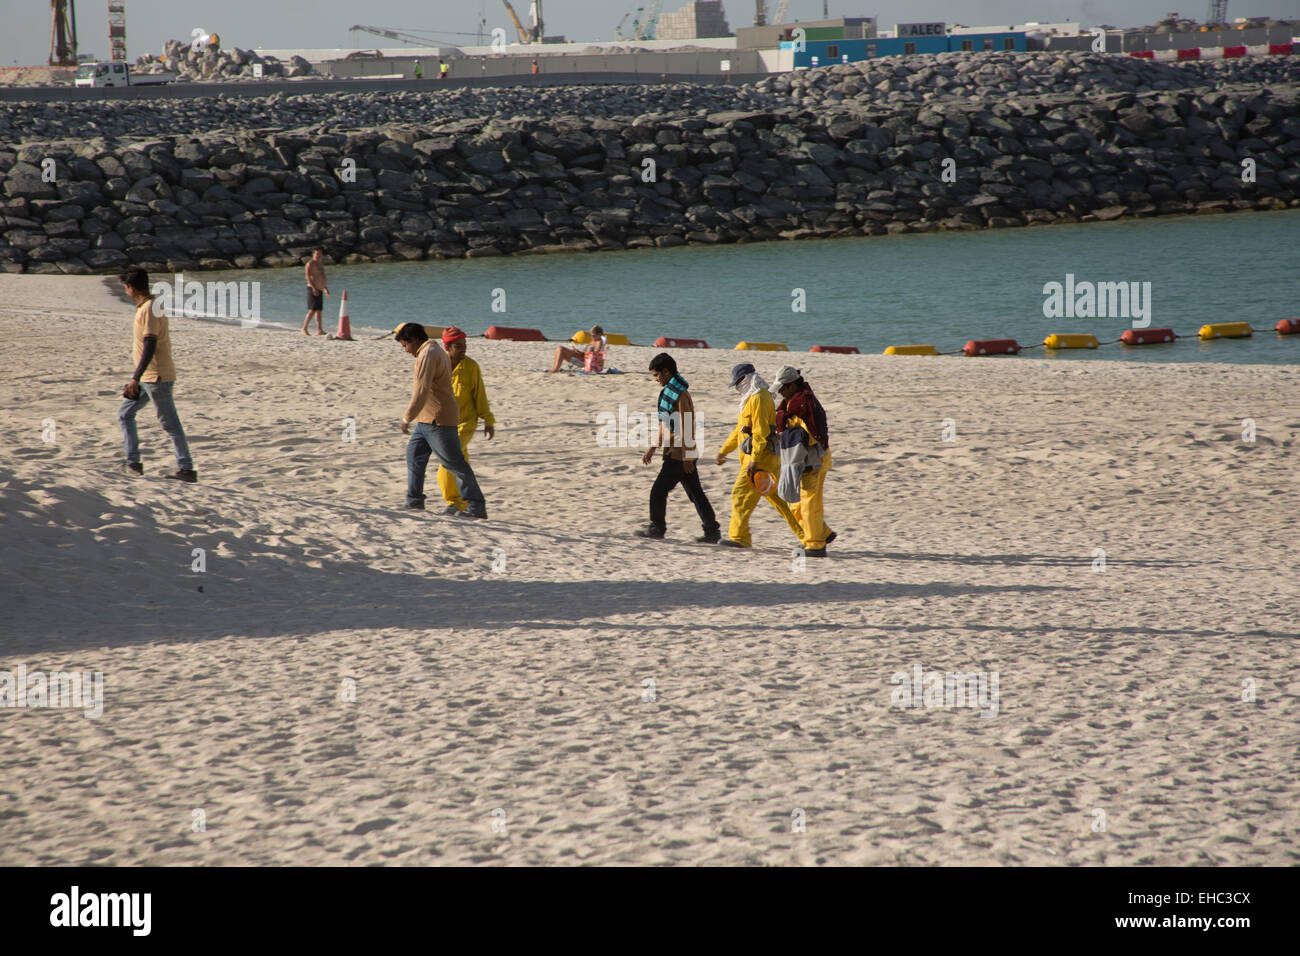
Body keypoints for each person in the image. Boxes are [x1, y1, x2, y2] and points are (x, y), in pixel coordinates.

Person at [395, 323, 488, 517]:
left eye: (405, 345)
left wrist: (406, 417)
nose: (405, 350)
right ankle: (414, 501)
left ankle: (476, 507)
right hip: (426, 419)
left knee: (454, 463)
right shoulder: (434, 349)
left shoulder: (427, 354)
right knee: (414, 455)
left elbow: (422, 390)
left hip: (438, 419)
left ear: (414, 340)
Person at [117, 266, 197, 482]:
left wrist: (135, 377)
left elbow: (150, 343)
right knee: (125, 413)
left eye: (126, 288)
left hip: (156, 377)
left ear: (131, 288)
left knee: (170, 424)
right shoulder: (146, 307)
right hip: (147, 377)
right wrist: (138, 377)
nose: (126, 291)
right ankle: (133, 463)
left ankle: (186, 469)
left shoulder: (152, 307)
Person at [716, 363, 803, 548]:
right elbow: (740, 432)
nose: (738, 386)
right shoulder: (750, 399)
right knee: (779, 500)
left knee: (739, 495)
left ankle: (739, 538)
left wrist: (754, 460)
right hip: (760, 460)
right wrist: (724, 451)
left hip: (760, 460)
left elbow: (761, 433)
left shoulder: (759, 398)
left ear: (748, 378)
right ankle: (809, 536)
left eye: (739, 381)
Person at [636, 353, 720, 543]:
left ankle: (657, 528)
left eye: (656, 375)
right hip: (676, 452)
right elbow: (665, 424)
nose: (656, 379)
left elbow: (687, 426)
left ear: (666, 372)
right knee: (696, 493)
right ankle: (712, 531)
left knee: (658, 491)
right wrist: (653, 447)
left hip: (680, 454)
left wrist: (688, 457)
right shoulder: (670, 392)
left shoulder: (681, 394)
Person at [767, 366, 836, 556]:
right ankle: (822, 533)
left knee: (809, 504)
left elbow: (810, 436)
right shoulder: (793, 402)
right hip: (807, 459)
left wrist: (786, 434)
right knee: (798, 504)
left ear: (792, 385)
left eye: (782, 388)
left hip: (813, 460)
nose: (780, 392)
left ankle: (815, 545)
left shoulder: (802, 404)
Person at [436, 326, 495, 514]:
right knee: (461, 462)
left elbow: (480, 396)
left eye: (465, 344)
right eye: (459, 346)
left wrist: (488, 420)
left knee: (448, 460)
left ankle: (453, 502)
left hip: (465, 423)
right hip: (444, 424)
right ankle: (468, 505)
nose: (464, 348)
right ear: (448, 347)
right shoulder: (439, 365)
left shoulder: (471, 367)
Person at [302, 248, 329, 335]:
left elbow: (322, 276)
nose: (319, 256)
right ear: (313, 254)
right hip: (312, 289)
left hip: (320, 289)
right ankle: (304, 328)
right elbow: (308, 277)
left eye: (320, 254)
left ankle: (319, 329)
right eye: (317, 254)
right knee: (312, 310)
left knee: (319, 310)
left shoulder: (320, 264)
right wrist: (313, 288)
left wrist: (325, 289)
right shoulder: (310, 264)